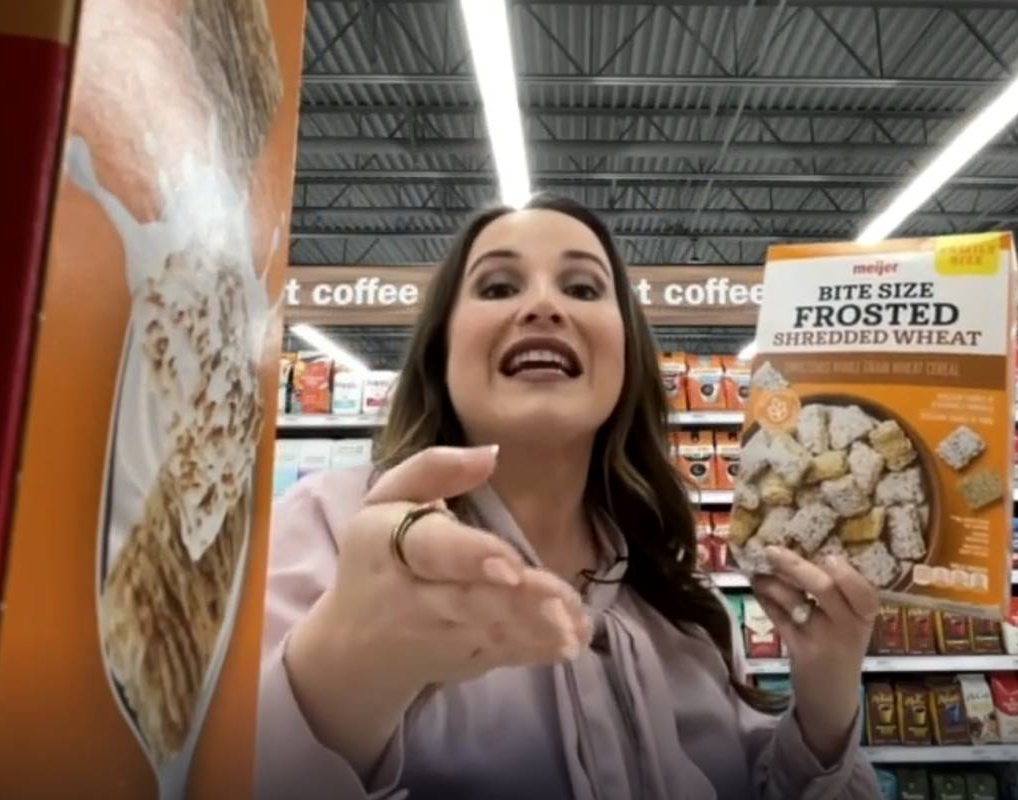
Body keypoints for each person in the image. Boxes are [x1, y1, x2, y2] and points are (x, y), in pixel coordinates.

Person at [255, 195, 882, 799]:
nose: (543, 306)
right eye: (498, 287)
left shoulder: (683, 601)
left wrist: (826, 701)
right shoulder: (331, 529)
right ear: (441, 349)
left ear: (627, 354)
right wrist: (345, 674)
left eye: (582, 289)